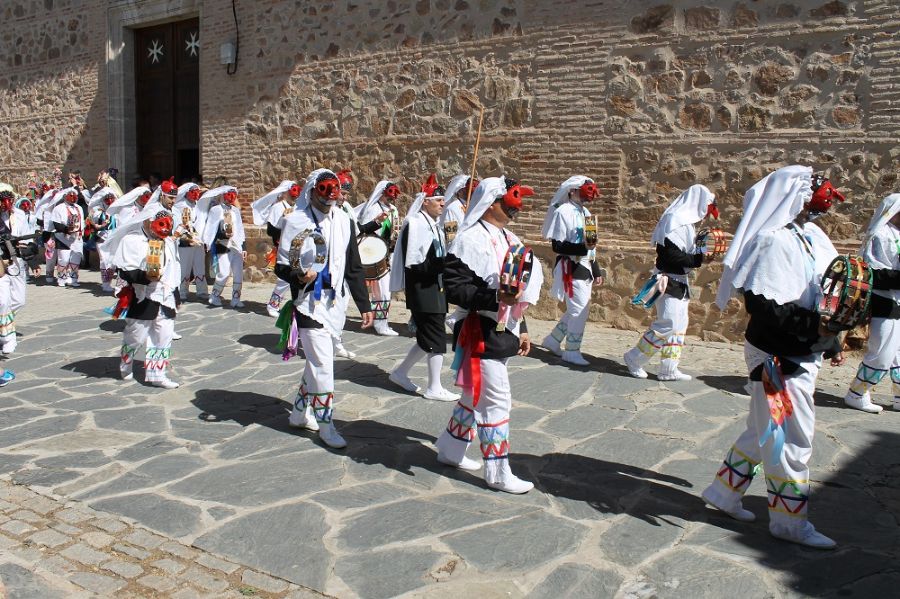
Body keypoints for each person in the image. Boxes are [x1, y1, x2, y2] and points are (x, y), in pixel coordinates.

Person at [701, 165, 847, 549]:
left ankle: (722, 494)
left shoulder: (810, 235)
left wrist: (830, 340)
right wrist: (818, 330)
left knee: (762, 428)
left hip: (802, 347)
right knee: (789, 435)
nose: (820, 198)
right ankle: (788, 523)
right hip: (777, 354)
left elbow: (823, 292)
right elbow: (766, 309)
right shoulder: (770, 242)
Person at [433, 176, 543, 494]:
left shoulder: (509, 237)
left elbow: (516, 288)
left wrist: (521, 328)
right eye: (511, 199)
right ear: (492, 202)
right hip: (480, 329)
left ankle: (450, 449)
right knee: (496, 400)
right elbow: (456, 288)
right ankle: (497, 471)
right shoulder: (468, 239)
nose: (516, 206)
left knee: (473, 395)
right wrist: (494, 299)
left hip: (502, 328)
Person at [274, 169, 374, 448]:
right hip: (308, 303)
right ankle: (326, 423)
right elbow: (281, 265)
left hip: (336, 303)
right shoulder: (296, 221)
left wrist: (363, 303)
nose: (331, 194)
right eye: (324, 189)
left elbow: (353, 264)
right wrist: (299, 275)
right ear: (312, 190)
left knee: (317, 362)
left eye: (335, 188)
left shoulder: (344, 219)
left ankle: (297, 413)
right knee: (323, 364)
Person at [623, 184, 719, 380]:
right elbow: (670, 256)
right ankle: (634, 358)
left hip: (680, 282)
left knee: (680, 325)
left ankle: (668, 369)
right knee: (667, 324)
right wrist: (697, 260)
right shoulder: (673, 220)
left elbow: (686, 255)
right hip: (668, 280)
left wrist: (700, 257)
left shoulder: (687, 224)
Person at [388, 174, 460, 401]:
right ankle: (434, 387)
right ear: (425, 201)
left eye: (443, 200)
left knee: (426, 338)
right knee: (437, 337)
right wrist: (443, 264)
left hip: (436, 288)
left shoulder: (436, 226)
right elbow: (415, 265)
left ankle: (400, 373)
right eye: (438, 200)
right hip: (423, 290)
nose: (442, 204)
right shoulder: (416, 225)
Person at [107, 204, 180, 389]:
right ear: (148, 221)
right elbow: (124, 272)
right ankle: (126, 360)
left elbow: (174, 269)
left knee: (163, 336)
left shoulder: (168, 241)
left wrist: (176, 296)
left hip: (165, 296)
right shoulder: (132, 240)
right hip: (143, 296)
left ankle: (157, 374)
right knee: (136, 337)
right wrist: (145, 276)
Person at [842, 193, 900, 413]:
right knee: (882, 352)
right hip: (883, 302)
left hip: (897, 301)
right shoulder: (880, 235)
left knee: (898, 353)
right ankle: (856, 393)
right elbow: (873, 274)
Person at [541, 176, 605, 366]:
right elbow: (557, 245)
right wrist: (582, 249)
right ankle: (572, 351)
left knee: (577, 309)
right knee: (579, 310)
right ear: (572, 190)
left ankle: (552, 340)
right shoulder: (563, 212)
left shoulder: (586, 212)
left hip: (585, 266)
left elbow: (591, 245)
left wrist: (596, 269)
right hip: (571, 266)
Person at [355, 180, 402, 336]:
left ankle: (380, 321)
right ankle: (380, 324)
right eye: (389, 194)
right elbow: (364, 230)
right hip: (375, 254)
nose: (392, 198)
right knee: (382, 292)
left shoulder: (393, 209)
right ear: (381, 193)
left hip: (388, 254)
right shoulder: (373, 209)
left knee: (384, 291)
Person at [251, 180, 300, 317]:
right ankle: (273, 305)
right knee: (285, 278)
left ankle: (297, 304)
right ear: (284, 193)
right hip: (283, 246)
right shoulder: (277, 208)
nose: (295, 195)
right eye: (292, 192)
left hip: (296, 247)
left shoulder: (297, 207)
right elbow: (271, 231)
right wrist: (283, 221)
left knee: (296, 276)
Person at [202, 186, 245, 308]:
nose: (230, 198)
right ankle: (214, 296)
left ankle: (236, 299)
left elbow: (240, 229)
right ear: (222, 195)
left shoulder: (236, 210)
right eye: (228, 195)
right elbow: (211, 227)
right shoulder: (215, 210)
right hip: (222, 245)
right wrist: (216, 238)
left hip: (236, 246)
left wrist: (244, 246)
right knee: (224, 272)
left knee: (238, 273)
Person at [173, 182, 208, 299]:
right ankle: (182, 291)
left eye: (197, 192)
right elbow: (179, 223)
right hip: (185, 241)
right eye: (193, 192)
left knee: (200, 266)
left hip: (198, 240)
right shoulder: (180, 205)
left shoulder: (198, 205)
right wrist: (187, 234)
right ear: (186, 193)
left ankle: (202, 290)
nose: (195, 195)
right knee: (185, 267)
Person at [87, 186, 121, 292]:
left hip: (114, 238)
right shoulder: (98, 211)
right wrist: (99, 225)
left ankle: (109, 282)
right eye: (107, 199)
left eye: (112, 198)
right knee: (104, 261)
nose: (110, 201)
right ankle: (105, 283)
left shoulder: (118, 212)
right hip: (102, 238)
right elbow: (91, 220)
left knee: (112, 262)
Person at [49, 187, 85, 287]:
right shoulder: (59, 208)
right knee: (63, 259)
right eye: (70, 196)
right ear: (65, 196)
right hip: (63, 237)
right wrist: (67, 229)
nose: (73, 198)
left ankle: (73, 279)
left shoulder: (79, 208)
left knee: (75, 259)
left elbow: (81, 222)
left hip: (77, 237)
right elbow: (56, 224)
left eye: (75, 196)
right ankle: (61, 278)